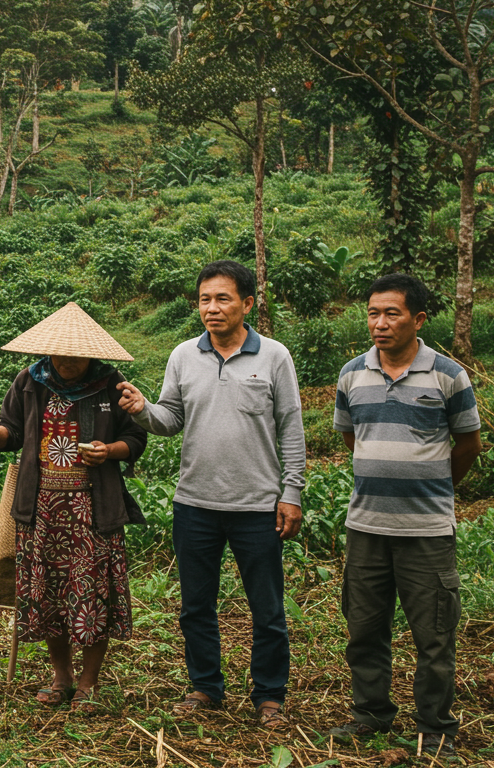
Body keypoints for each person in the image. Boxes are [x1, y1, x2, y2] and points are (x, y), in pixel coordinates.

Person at [117, 260, 306, 730]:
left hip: (257, 505)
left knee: (267, 608)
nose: (212, 308)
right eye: (205, 299)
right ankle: (205, 687)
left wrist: (292, 491)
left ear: (247, 303)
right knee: (195, 605)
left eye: (223, 299)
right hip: (195, 503)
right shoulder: (183, 356)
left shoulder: (274, 356)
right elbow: (171, 420)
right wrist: (143, 410)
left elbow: (292, 430)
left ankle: (269, 696)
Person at [0, 302, 147, 707]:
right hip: (42, 508)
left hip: (93, 510)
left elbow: (135, 439)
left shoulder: (110, 384)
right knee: (50, 594)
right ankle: (61, 675)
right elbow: (11, 432)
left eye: (75, 356)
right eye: (60, 355)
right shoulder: (31, 381)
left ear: (91, 354)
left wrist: (109, 450)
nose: (66, 362)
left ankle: (89, 682)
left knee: (93, 593)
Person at [327, 274, 481, 757]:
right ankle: (370, 714)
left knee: (434, 635)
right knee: (365, 629)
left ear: (417, 319)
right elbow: (352, 437)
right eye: (373, 313)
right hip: (366, 526)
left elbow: (468, 444)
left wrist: (429, 486)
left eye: (391, 313)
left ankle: (435, 729)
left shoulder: (448, 375)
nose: (379, 323)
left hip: (426, 531)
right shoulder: (352, 374)